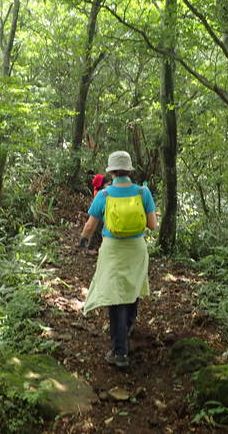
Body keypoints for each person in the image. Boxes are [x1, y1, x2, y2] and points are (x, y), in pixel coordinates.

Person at [78, 151, 157, 368]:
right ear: (130, 170)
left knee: (115, 297)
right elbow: (152, 225)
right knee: (131, 289)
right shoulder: (143, 193)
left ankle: (120, 351)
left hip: (113, 250)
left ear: (111, 172)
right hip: (136, 249)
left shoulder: (103, 195)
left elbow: (90, 226)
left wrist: (82, 241)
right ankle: (127, 328)